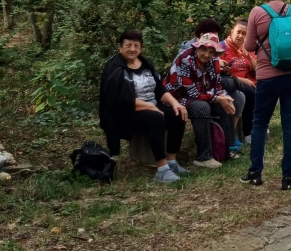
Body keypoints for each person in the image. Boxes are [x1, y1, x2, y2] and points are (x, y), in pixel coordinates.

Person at [242, 0, 291, 190]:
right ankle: (288, 176)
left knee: (260, 123)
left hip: (267, 77)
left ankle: (255, 172)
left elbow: (249, 45)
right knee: (290, 125)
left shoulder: (257, 12)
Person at [99, 29, 188, 183]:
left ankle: (171, 161)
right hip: (125, 113)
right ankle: (162, 169)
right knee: (155, 118)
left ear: (141, 48)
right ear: (120, 48)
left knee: (178, 113)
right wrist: (151, 107)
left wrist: (175, 103)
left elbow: (159, 89)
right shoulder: (115, 68)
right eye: (128, 45)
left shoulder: (146, 64)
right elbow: (121, 100)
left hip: (150, 106)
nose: (132, 49)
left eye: (136, 45)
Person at [164, 33, 243, 169]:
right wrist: (217, 98)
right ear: (197, 48)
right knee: (202, 107)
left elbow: (216, 85)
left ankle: (226, 150)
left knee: (225, 105)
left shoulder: (213, 62)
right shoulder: (185, 60)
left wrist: (224, 97)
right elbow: (191, 92)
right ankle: (204, 156)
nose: (207, 54)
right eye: (204, 50)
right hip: (176, 97)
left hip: (201, 95)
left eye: (211, 52)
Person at [222, 19, 257, 148]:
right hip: (230, 83)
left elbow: (257, 69)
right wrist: (242, 81)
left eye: (244, 34)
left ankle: (260, 127)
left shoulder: (247, 48)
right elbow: (220, 73)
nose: (240, 36)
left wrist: (248, 57)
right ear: (232, 32)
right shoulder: (222, 47)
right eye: (238, 32)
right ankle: (248, 133)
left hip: (248, 82)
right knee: (249, 92)